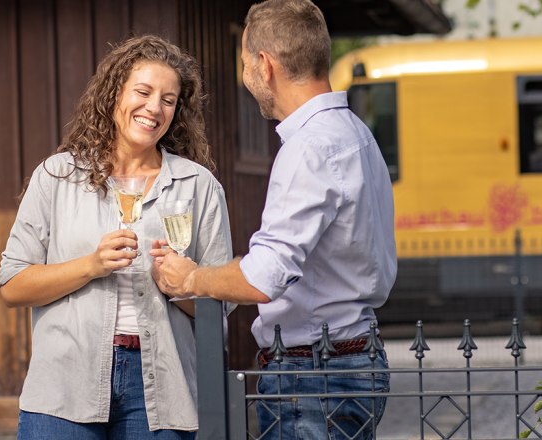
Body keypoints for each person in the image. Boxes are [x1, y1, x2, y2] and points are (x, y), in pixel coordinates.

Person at [150, 0, 397, 438]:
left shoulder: (307, 147)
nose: (245, 77)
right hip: (353, 356)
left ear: (265, 66)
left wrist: (191, 278)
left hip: (314, 371)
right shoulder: (357, 133)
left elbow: (265, 277)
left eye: (244, 63)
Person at [0, 34, 233, 439]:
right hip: (64, 385)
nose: (154, 108)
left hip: (161, 390)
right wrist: (90, 265)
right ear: (113, 94)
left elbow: (220, 311)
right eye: (143, 91)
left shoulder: (199, 185)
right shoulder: (57, 176)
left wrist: (184, 284)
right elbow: (12, 285)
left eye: (168, 99)